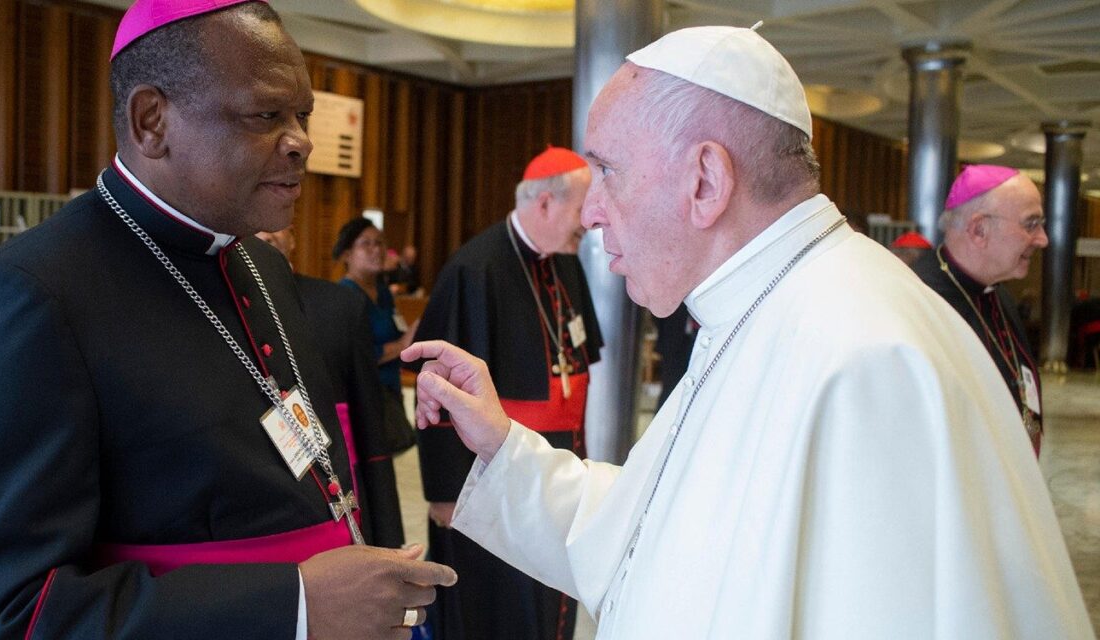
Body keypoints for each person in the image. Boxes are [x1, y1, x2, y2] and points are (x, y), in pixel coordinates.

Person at [403, 25, 1093, 639]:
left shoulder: (864, 357)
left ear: (706, 180)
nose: (597, 214)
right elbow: (650, 532)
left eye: (609, 172)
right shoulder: (761, 307)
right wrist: (505, 446)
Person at [0, 2, 453, 639]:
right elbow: (4, 615)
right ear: (152, 121)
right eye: (266, 114)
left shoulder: (260, 262)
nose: (301, 141)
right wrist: (290, 607)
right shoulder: (32, 294)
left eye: (302, 115)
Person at [411, 146, 601, 640]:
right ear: (544, 204)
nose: (592, 221)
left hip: (557, 467)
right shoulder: (476, 268)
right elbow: (436, 385)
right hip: (487, 477)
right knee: (494, 607)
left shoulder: (567, 265)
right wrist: (445, 492)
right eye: (583, 208)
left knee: (549, 594)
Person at [258, 225, 406, 549]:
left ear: (293, 237)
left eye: (276, 227)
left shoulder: (338, 304)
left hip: (341, 484)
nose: (266, 233)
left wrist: (388, 531)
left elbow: (368, 420)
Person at [912, 165, 1048, 454]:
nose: (1042, 239)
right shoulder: (919, 301)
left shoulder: (997, 291)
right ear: (979, 229)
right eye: (1031, 224)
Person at [334, 218, 418, 454]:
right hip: (363, 399)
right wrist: (402, 344)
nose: (377, 250)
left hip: (390, 393)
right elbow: (354, 356)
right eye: (366, 244)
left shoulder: (383, 292)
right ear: (347, 254)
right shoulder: (343, 295)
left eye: (380, 243)